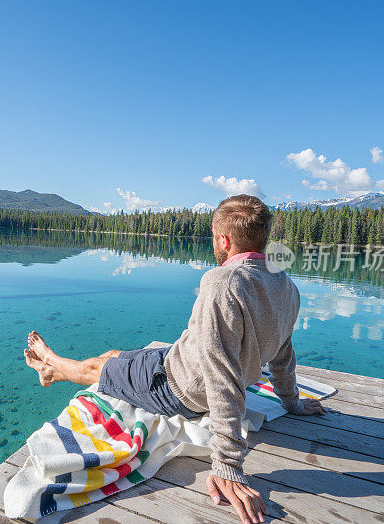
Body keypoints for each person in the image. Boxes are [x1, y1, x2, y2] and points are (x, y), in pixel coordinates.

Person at [23, 194, 327, 524]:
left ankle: (52, 367)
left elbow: (220, 375)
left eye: (213, 236)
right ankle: (59, 366)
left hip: (174, 388)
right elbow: (283, 352)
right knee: (116, 356)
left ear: (223, 240)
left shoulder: (222, 282)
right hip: (177, 358)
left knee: (99, 368)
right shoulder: (286, 285)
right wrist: (291, 401)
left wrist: (227, 466)